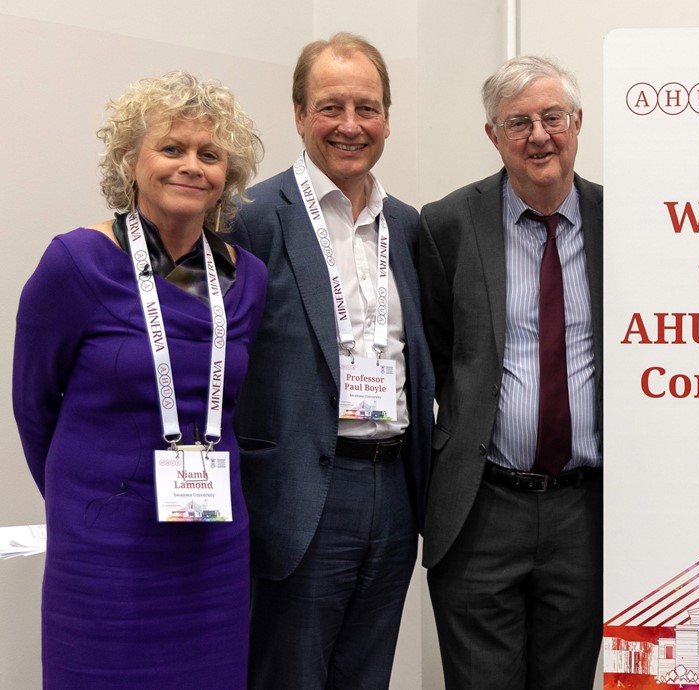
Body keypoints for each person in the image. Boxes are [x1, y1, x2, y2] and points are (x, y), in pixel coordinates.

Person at [13, 71, 265, 688]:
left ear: (225, 178)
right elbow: (33, 405)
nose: (191, 166)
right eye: (171, 148)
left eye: (209, 154)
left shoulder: (247, 278)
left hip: (212, 543)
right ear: (131, 162)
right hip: (106, 547)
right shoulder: (77, 262)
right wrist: (88, 503)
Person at [230, 32, 431, 690]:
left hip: (394, 488)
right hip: (299, 496)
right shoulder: (252, 219)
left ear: (388, 120)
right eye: (330, 107)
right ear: (298, 115)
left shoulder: (407, 225)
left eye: (367, 108)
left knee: (366, 674)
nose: (351, 125)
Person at [418, 55, 603, 689]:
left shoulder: (623, 224)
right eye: (518, 122)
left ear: (578, 123)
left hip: (587, 510)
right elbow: (438, 356)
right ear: (494, 136)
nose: (539, 136)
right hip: (482, 506)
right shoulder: (446, 225)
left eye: (553, 117)